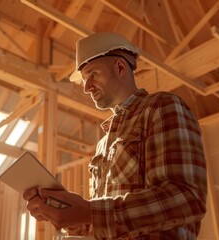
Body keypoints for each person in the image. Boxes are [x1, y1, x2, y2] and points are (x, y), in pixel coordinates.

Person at [23, 32, 207, 239]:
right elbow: (103, 223)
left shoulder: (160, 107)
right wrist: (64, 212)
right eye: (84, 79)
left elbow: (187, 200)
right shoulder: (103, 145)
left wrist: (88, 211)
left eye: (92, 74)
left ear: (120, 67)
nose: (86, 87)